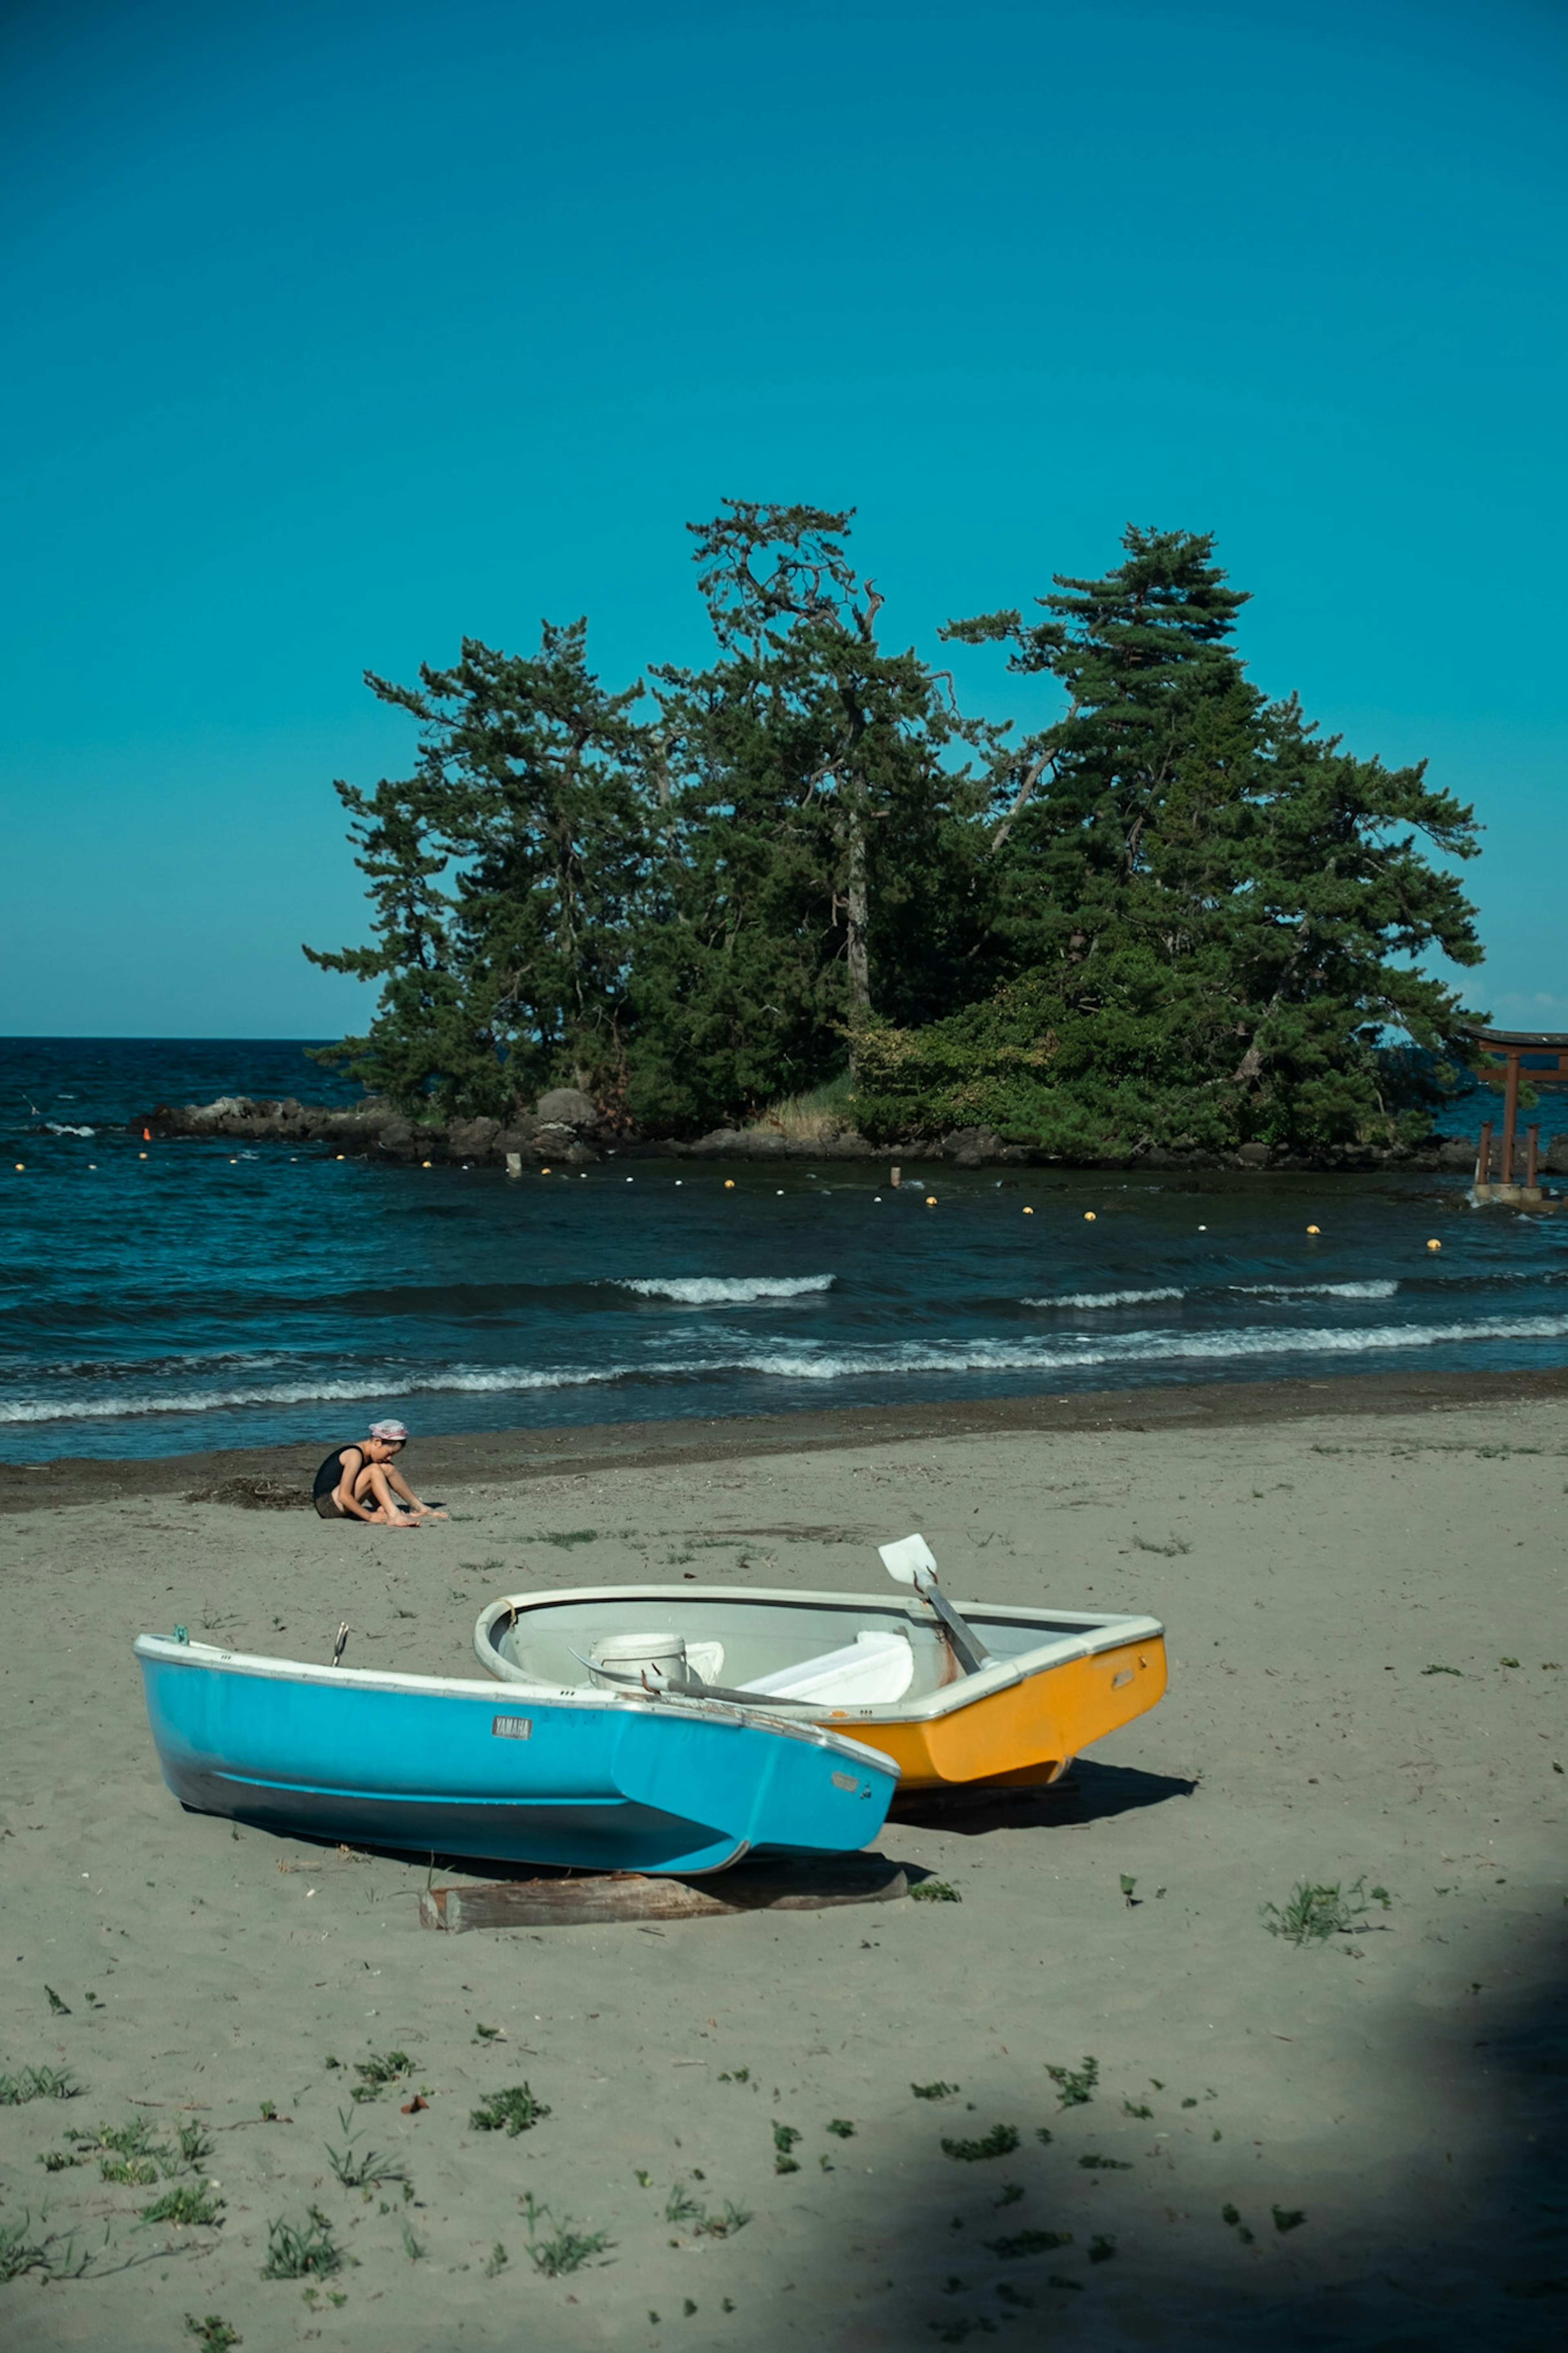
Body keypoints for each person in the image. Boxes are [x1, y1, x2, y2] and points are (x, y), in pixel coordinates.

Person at [312, 1420, 447, 1526]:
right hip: (328, 1505)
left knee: (388, 1468)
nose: (389, 1458)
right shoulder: (355, 1455)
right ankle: (394, 1515)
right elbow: (344, 1496)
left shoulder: (370, 1457)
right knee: (374, 1470)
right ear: (377, 1442)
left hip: (341, 1502)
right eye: (390, 1453)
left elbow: (367, 1486)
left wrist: (380, 1507)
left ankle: (418, 1507)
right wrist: (369, 1516)